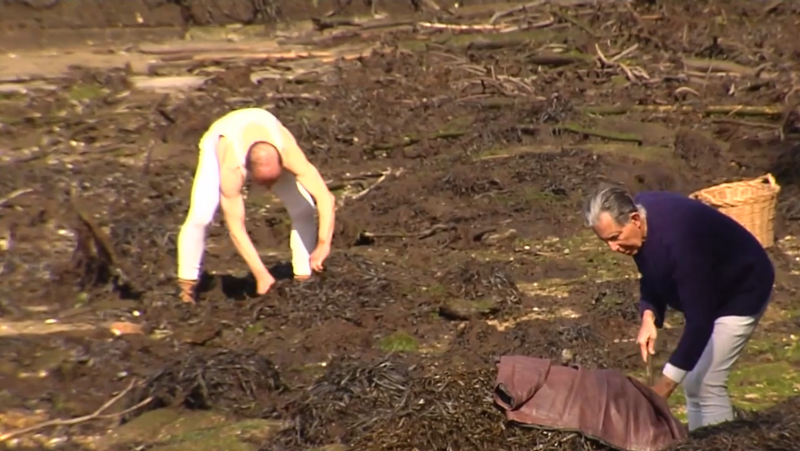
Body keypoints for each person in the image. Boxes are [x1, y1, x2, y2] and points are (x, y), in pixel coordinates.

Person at [582, 185, 774, 431]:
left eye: (615, 237)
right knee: (694, 384)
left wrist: (662, 390)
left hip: (743, 288)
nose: (613, 248)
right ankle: (698, 445)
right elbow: (651, 272)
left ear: (635, 219)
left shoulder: (681, 241)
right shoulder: (639, 228)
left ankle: (723, 444)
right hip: (710, 287)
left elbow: (700, 323)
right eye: (605, 241)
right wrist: (649, 316)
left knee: (707, 383)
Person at [176, 108, 336, 304]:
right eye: (263, 183)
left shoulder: (289, 153)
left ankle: (304, 278)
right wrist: (261, 274)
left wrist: (322, 245)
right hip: (222, 135)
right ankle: (187, 289)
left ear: (281, 163)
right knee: (200, 216)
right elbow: (235, 227)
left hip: (268, 141)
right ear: (248, 171)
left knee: (304, 208)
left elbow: (326, 198)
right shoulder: (231, 167)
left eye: (273, 180)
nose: (269, 189)